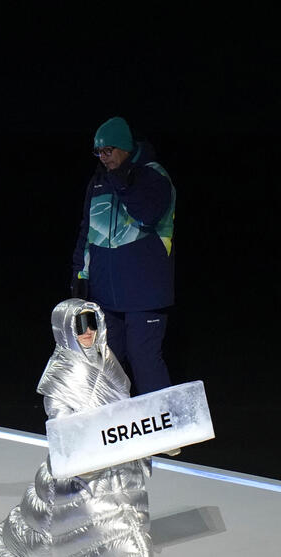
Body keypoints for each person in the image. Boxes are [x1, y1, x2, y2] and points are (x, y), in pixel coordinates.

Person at [0, 299, 158, 557]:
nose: (88, 332)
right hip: (82, 471)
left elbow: (126, 409)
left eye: (92, 323)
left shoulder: (108, 361)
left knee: (125, 530)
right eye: (80, 326)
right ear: (65, 330)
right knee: (117, 536)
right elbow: (61, 427)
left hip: (118, 462)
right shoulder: (61, 373)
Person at [71, 116, 176, 396]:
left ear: (126, 147)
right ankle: (113, 432)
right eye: (98, 152)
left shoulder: (153, 175)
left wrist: (124, 183)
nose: (103, 158)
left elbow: (149, 215)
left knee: (145, 362)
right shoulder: (97, 183)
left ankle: (167, 436)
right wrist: (80, 274)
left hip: (145, 294)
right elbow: (87, 231)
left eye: (108, 151)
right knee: (107, 364)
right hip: (106, 294)